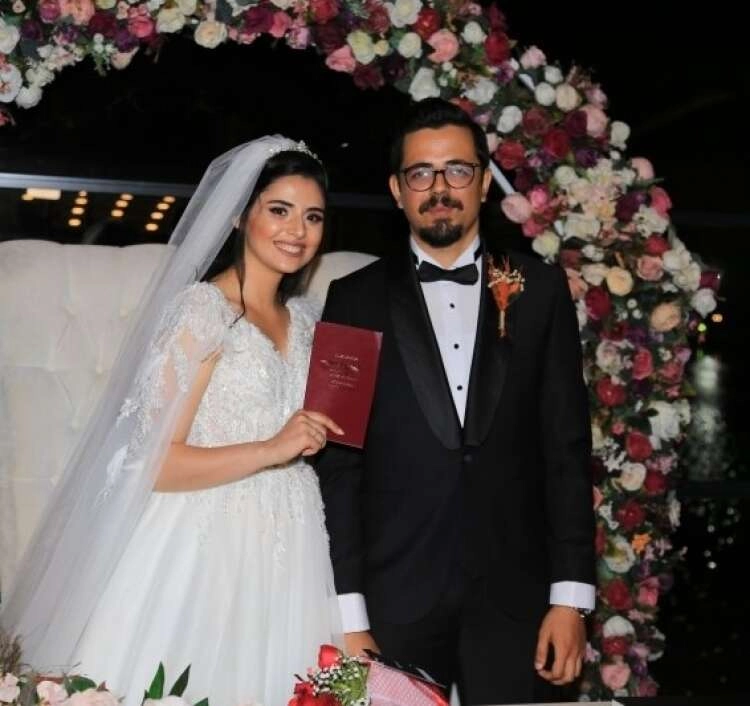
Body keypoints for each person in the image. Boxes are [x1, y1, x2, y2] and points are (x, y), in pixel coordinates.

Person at [1, 137, 343, 706]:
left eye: (313, 217)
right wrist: (272, 448)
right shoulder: (202, 311)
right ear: (240, 217)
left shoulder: (309, 322)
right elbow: (156, 464)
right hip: (203, 544)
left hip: (293, 543)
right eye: (279, 210)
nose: (297, 231)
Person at [316, 98, 596, 705]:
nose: (440, 188)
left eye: (457, 170)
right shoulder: (350, 299)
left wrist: (571, 598)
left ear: (484, 182)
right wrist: (349, 613)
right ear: (397, 190)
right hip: (393, 601)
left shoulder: (541, 291)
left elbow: (566, 449)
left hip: (518, 602)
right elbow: (338, 466)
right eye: (421, 173)